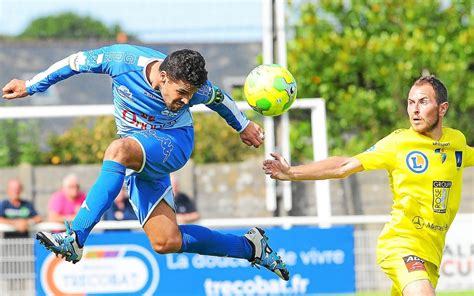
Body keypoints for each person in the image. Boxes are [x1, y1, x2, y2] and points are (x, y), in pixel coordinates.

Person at [2, 44, 289, 280]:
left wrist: (242, 126)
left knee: (118, 150)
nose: (186, 100)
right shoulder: (119, 60)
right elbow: (73, 62)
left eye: (190, 95)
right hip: (140, 154)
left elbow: (220, 99)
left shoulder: (194, 90)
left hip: (173, 142)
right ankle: (251, 247)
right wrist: (31, 86)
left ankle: (75, 238)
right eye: (181, 93)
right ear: (163, 76)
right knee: (166, 241)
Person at [263, 75, 473, 294]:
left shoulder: (456, 141)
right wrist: (292, 172)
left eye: (423, 102)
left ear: (442, 108)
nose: (414, 110)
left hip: (431, 254)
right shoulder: (398, 143)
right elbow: (344, 165)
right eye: (411, 102)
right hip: (401, 244)